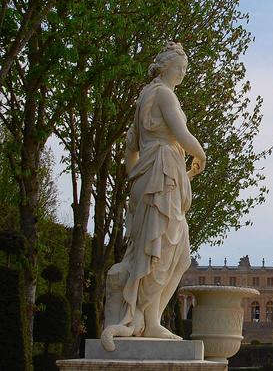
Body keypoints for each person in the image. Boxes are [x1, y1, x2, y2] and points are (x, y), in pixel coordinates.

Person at [101, 42, 205, 349]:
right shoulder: (163, 94)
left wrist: (136, 180)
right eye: (181, 68)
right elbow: (182, 135)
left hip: (157, 177)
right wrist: (201, 154)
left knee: (176, 251)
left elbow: (128, 151)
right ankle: (150, 320)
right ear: (167, 67)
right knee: (162, 248)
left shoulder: (143, 98)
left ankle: (150, 318)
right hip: (162, 177)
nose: (183, 73)